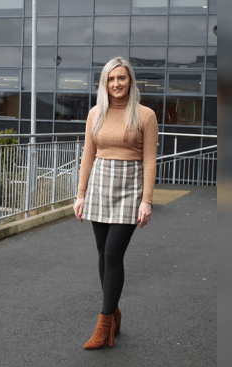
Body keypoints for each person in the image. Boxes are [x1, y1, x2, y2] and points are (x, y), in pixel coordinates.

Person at [73, 57, 158, 350]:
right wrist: (81, 193)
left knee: (112, 254)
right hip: (100, 184)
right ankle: (115, 310)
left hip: (130, 187)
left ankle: (105, 323)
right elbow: (87, 156)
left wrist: (147, 200)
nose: (116, 84)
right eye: (111, 79)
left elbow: (149, 161)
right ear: (104, 83)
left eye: (121, 78)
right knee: (101, 253)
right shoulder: (95, 114)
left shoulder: (145, 115)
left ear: (130, 81)